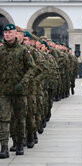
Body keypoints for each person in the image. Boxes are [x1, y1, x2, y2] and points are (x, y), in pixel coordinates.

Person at [0, 24, 36, 158]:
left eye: (9, 32)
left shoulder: (23, 51)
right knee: (3, 118)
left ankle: (20, 143)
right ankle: (4, 146)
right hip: (4, 91)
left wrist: (23, 83)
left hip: (20, 91)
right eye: (5, 32)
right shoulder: (1, 51)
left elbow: (32, 68)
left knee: (20, 119)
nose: (7, 34)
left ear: (15, 34)